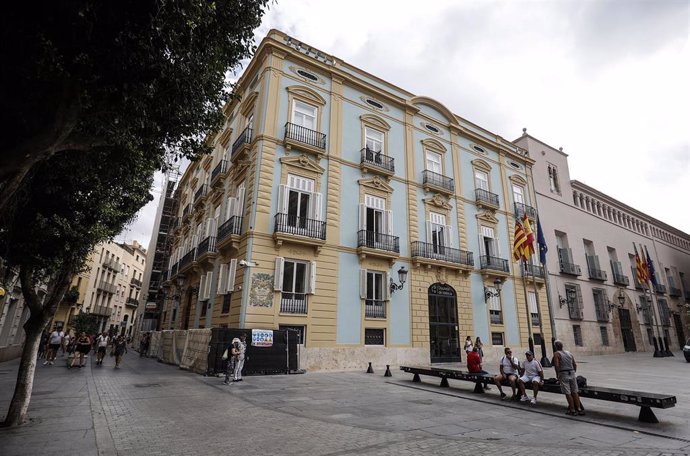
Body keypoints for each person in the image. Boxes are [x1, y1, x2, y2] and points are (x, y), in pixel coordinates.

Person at [553, 339, 585, 416]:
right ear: (562, 346)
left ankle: (572, 410)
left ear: (555, 347)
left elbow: (557, 365)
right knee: (575, 391)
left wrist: (557, 374)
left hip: (563, 373)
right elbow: (575, 364)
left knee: (568, 392)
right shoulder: (569, 353)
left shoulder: (556, 354)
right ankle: (579, 409)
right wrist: (574, 372)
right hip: (572, 372)